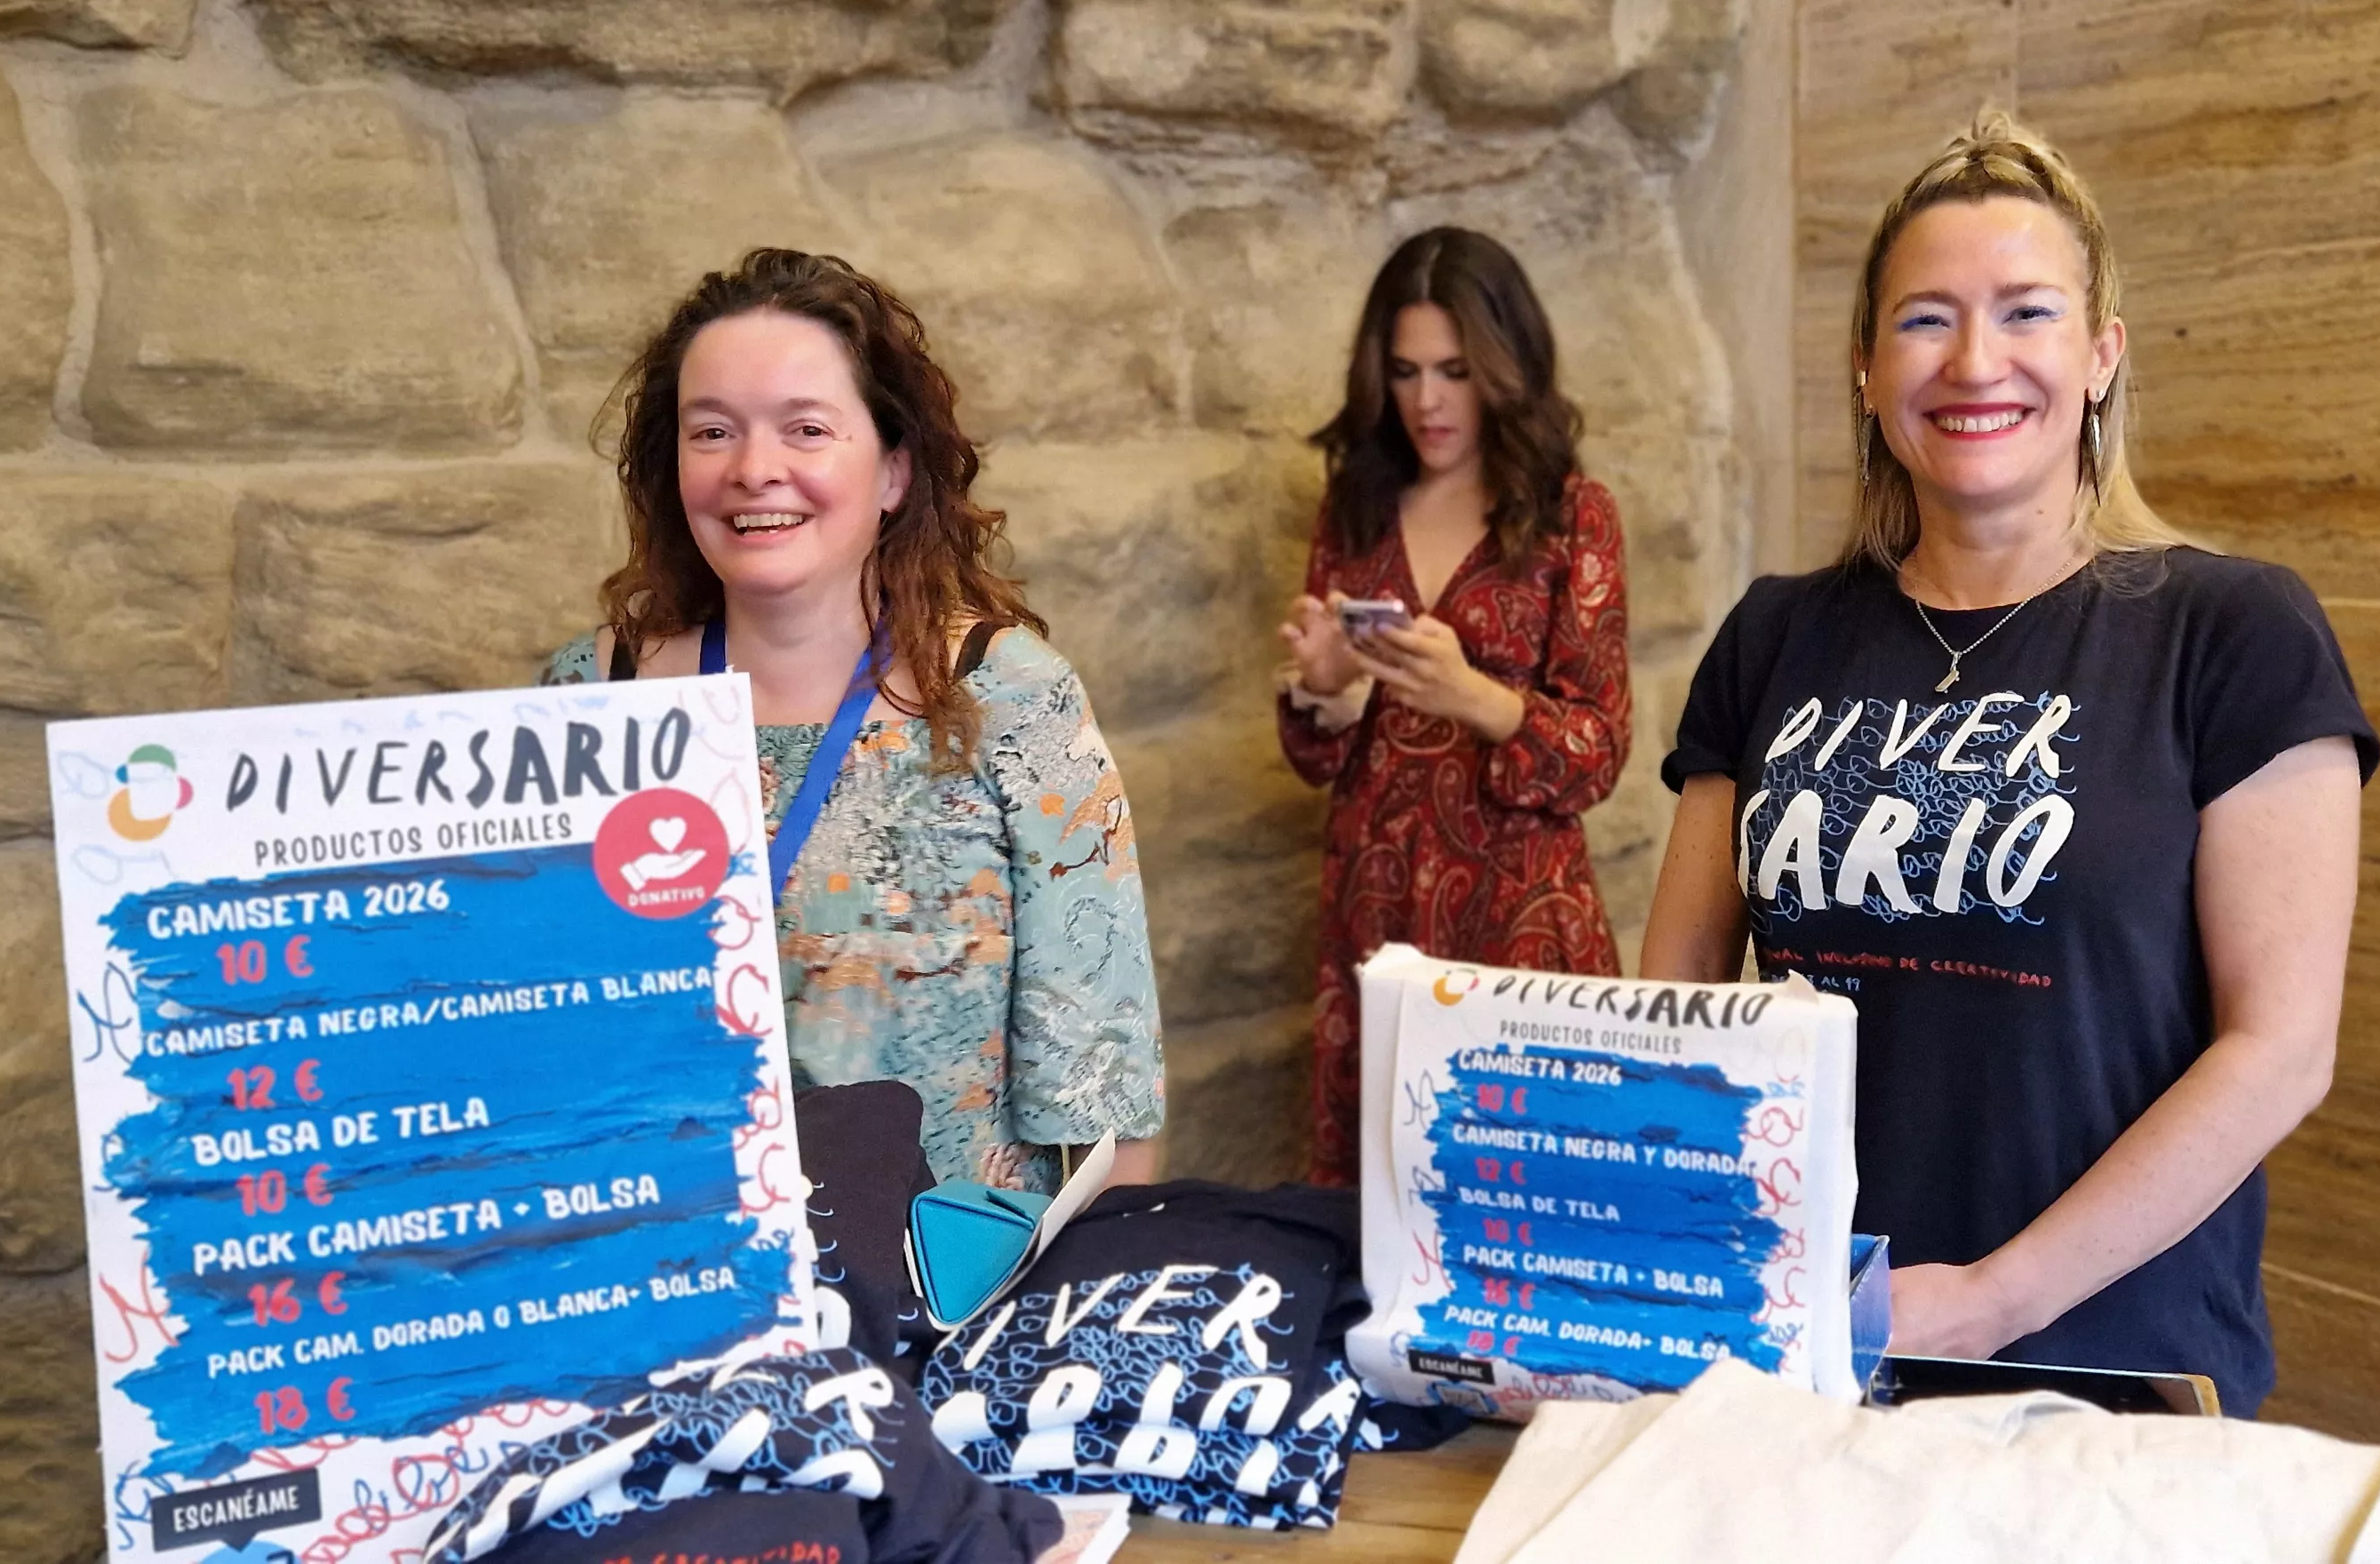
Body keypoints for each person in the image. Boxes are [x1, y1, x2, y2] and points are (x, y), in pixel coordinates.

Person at [1636, 112, 2375, 1413]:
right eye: (1925, 319)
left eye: (2027, 313)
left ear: (2100, 357)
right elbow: (1683, 1001)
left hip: (2110, 1373)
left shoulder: (2234, 634)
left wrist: (1995, 1297)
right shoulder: (1776, 635)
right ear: (1865, 368)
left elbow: (2281, 1050)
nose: (1975, 360)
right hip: (1803, 1356)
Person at [545, 249, 1164, 1193]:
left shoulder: (1006, 698)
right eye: (711, 432)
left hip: (951, 1302)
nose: (755, 470)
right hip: (675, 1271)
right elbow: (529, 1034)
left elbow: (1104, 1099)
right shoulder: (592, 701)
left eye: (806, 429)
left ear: (892, 470)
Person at [1277, 227, 1631, 1185]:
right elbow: (1316, 761)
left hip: (1519, 913)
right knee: (1385, 1203)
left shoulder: (1570, 513)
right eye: (1404, 371)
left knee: (1540, 1192)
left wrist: (1475, 697)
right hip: (1375, 901)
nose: (1427, 400)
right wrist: (1321, 685)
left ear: (1504, 367)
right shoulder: (1351, 508)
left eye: (1455, 370)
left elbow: (1597, 752)